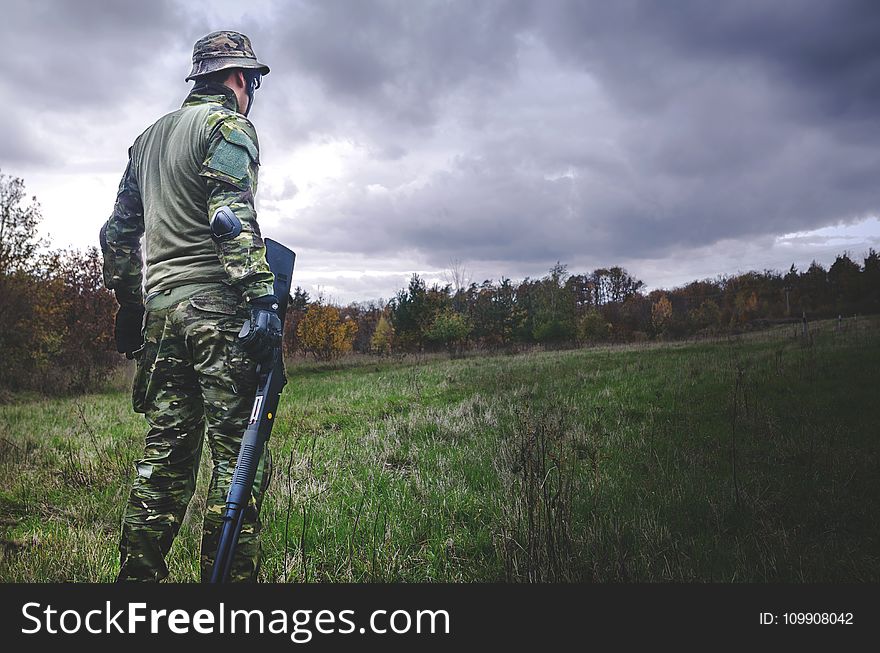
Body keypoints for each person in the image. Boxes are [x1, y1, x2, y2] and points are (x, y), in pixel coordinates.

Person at [100, 30, 280, 582]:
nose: (251, 92)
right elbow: (230, 216)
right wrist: (261, 298)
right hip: (217, 313)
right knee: (238, 460)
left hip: (162, 314)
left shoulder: (149, 138)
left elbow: (117, 234)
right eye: (250, 82)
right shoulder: (229, 127)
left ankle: (134, 593)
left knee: (164, 461)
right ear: (237, 78)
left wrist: (132, 304)